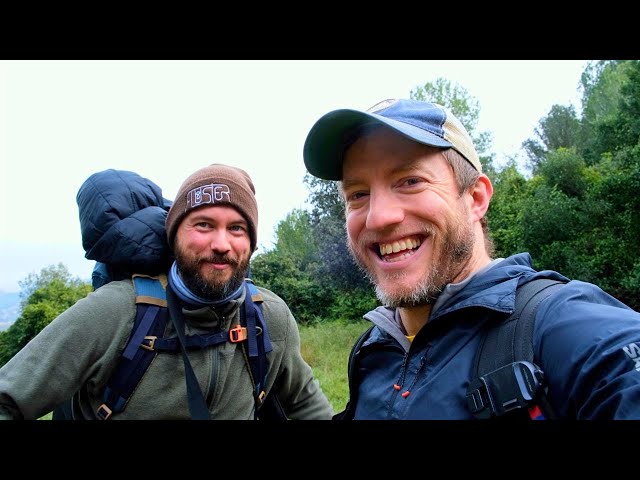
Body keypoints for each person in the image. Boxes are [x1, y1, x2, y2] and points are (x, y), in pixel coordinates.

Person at [302, 98, 640, 420]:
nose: (378, 218)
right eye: (358, 194)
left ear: (476, 198)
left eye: (410, 181)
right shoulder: (372, 352)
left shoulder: (560, 327)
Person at [0, 164, 333, 420]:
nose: (221, 244)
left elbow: (304, 402)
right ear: (175, 235)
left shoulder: (268, 317)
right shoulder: (116, 311)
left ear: (251, 242)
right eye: (203, 225)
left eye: (237, 228)